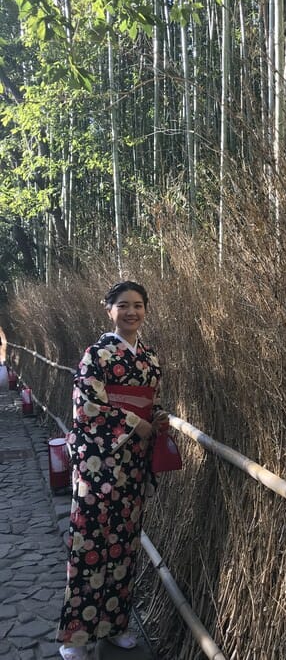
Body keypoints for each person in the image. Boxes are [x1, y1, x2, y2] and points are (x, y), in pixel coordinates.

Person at [57, 281, 169, 660]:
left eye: (138, 305)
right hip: (98, 463)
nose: (131, 312)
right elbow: (87, 408)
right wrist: (134, 422)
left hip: (133, 463)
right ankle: (76, 636)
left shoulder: (150, 357)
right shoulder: (96, 354)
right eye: (123, 305)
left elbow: (151, 401)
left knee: (124, 544)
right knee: (89, 542)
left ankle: (115, 624)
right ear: (109, 310)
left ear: (146, 310)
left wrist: (156, 419)